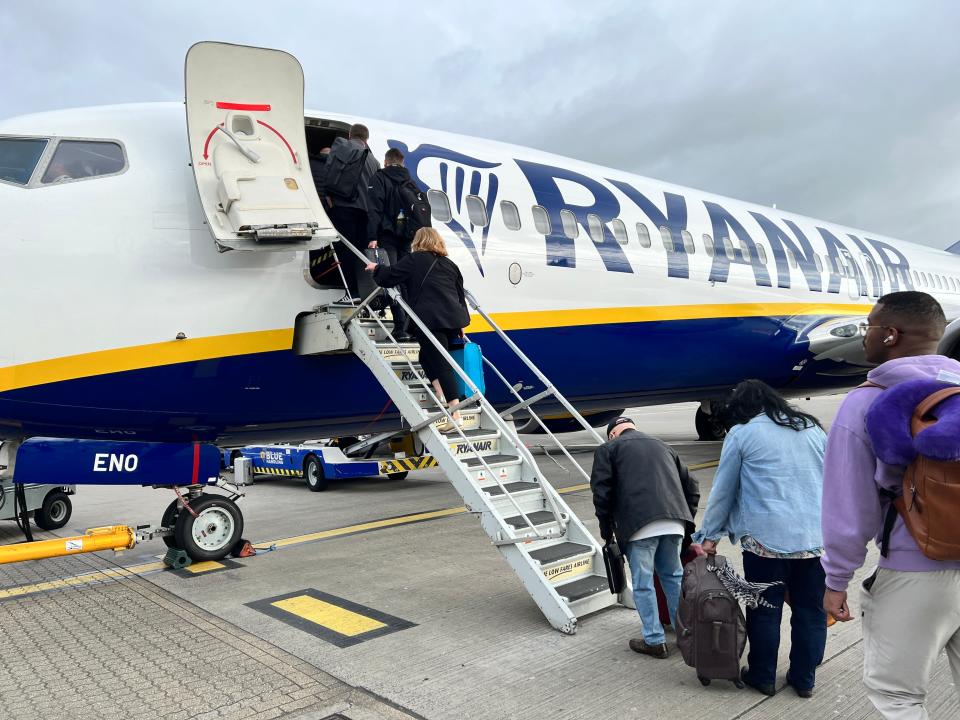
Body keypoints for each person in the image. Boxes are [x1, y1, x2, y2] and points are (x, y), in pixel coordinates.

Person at [821, 291, 960, 719]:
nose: (864, 337)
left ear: (890, 335)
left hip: (915, 565)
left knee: (897, 697)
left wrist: (835, 580)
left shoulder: (865, 401)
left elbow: (850, 507)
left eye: (869, 328)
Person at [693, 380, 827, 698]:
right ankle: (804, 679)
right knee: (812, 612)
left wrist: (709, 536)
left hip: (765, 544)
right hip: (815, 539)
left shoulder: (743, 433)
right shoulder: (813, 429)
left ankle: (763, 677)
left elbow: (724, 492)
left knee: (765, 611)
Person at [590, 416, 699, 658]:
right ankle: (686, 636)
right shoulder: (664, 446)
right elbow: (692, 488)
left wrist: (607, 531)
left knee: (643, 583)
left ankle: (654, 640)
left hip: (639, 527)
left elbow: (602, 493)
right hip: (675, 524)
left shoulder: (609, 449)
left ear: (612, 434)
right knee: (673, 579)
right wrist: (684, 520)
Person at [365, 227, 470, 429]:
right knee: (425, 357)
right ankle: (440, 396)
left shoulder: (416, 260)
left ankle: (455, 414)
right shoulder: (450, 265)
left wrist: (375, 268)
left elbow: (390, 276)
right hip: (451, 320)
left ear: (418, 241)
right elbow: (459, 296)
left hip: (430, 320)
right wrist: (461, 324)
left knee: (441, 364)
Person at [317, 124, 380, 300]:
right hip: (365, 213)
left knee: (344, 250)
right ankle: (362, 292)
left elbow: (329, 171)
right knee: (359, 252)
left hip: (344, 207)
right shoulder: (374, 161)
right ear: (366, 139)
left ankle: (350, 292)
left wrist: (328, 197)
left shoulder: (342, 145)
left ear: (350, 134)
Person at [367, 147, 415, 340]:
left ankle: (400, 327)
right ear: (402, 163)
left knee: (392, 277)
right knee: (406, 279)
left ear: (385, 162)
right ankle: (411, 327)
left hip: (388, 235)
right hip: (407, 237)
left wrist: (372, 236)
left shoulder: (380, 178)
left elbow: (374, 209)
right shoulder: (409, 182)